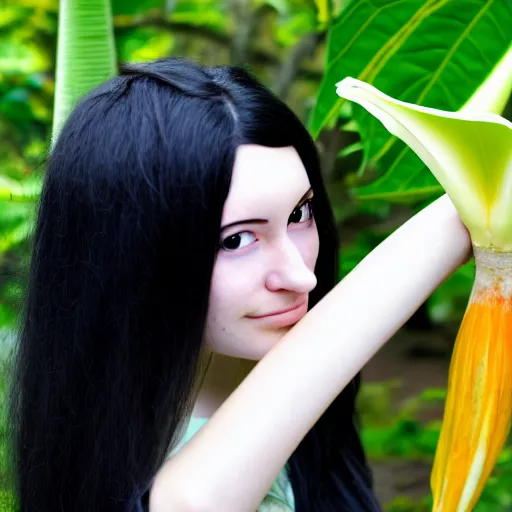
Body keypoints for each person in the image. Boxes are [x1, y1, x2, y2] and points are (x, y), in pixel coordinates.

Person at [7, 57, 471, 512]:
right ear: (132, 254)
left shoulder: (288, 409)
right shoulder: (167, 471)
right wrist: (465, 209)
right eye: (238, 239)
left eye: (299, 214)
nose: (300, 276)